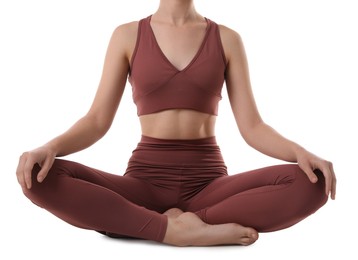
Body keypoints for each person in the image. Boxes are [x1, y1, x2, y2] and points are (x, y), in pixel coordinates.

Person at [16, 0, 336, 247]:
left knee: (313, 182)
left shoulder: (227, 39)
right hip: (143, 184)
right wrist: (50, 147)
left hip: (209, 186)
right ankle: (174, 232)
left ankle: (160, 223)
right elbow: (97, 120)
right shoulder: (127, 35)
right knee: (38, 177)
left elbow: (253, 127)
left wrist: (299, 152)